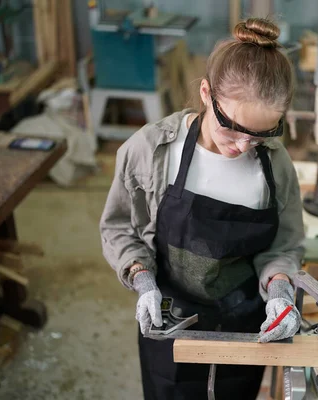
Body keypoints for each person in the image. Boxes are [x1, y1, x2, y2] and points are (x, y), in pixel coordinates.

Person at [99, 17, 305, 400]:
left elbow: (283, 246)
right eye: (232, 129)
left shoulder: (276, 167)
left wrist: (279, 290)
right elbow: (119, 228)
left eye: (261, 135)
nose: (243, 146)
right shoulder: (152, 152)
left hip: (245, 324)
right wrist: (142, 279)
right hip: (171, 319)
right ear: (207, 94)